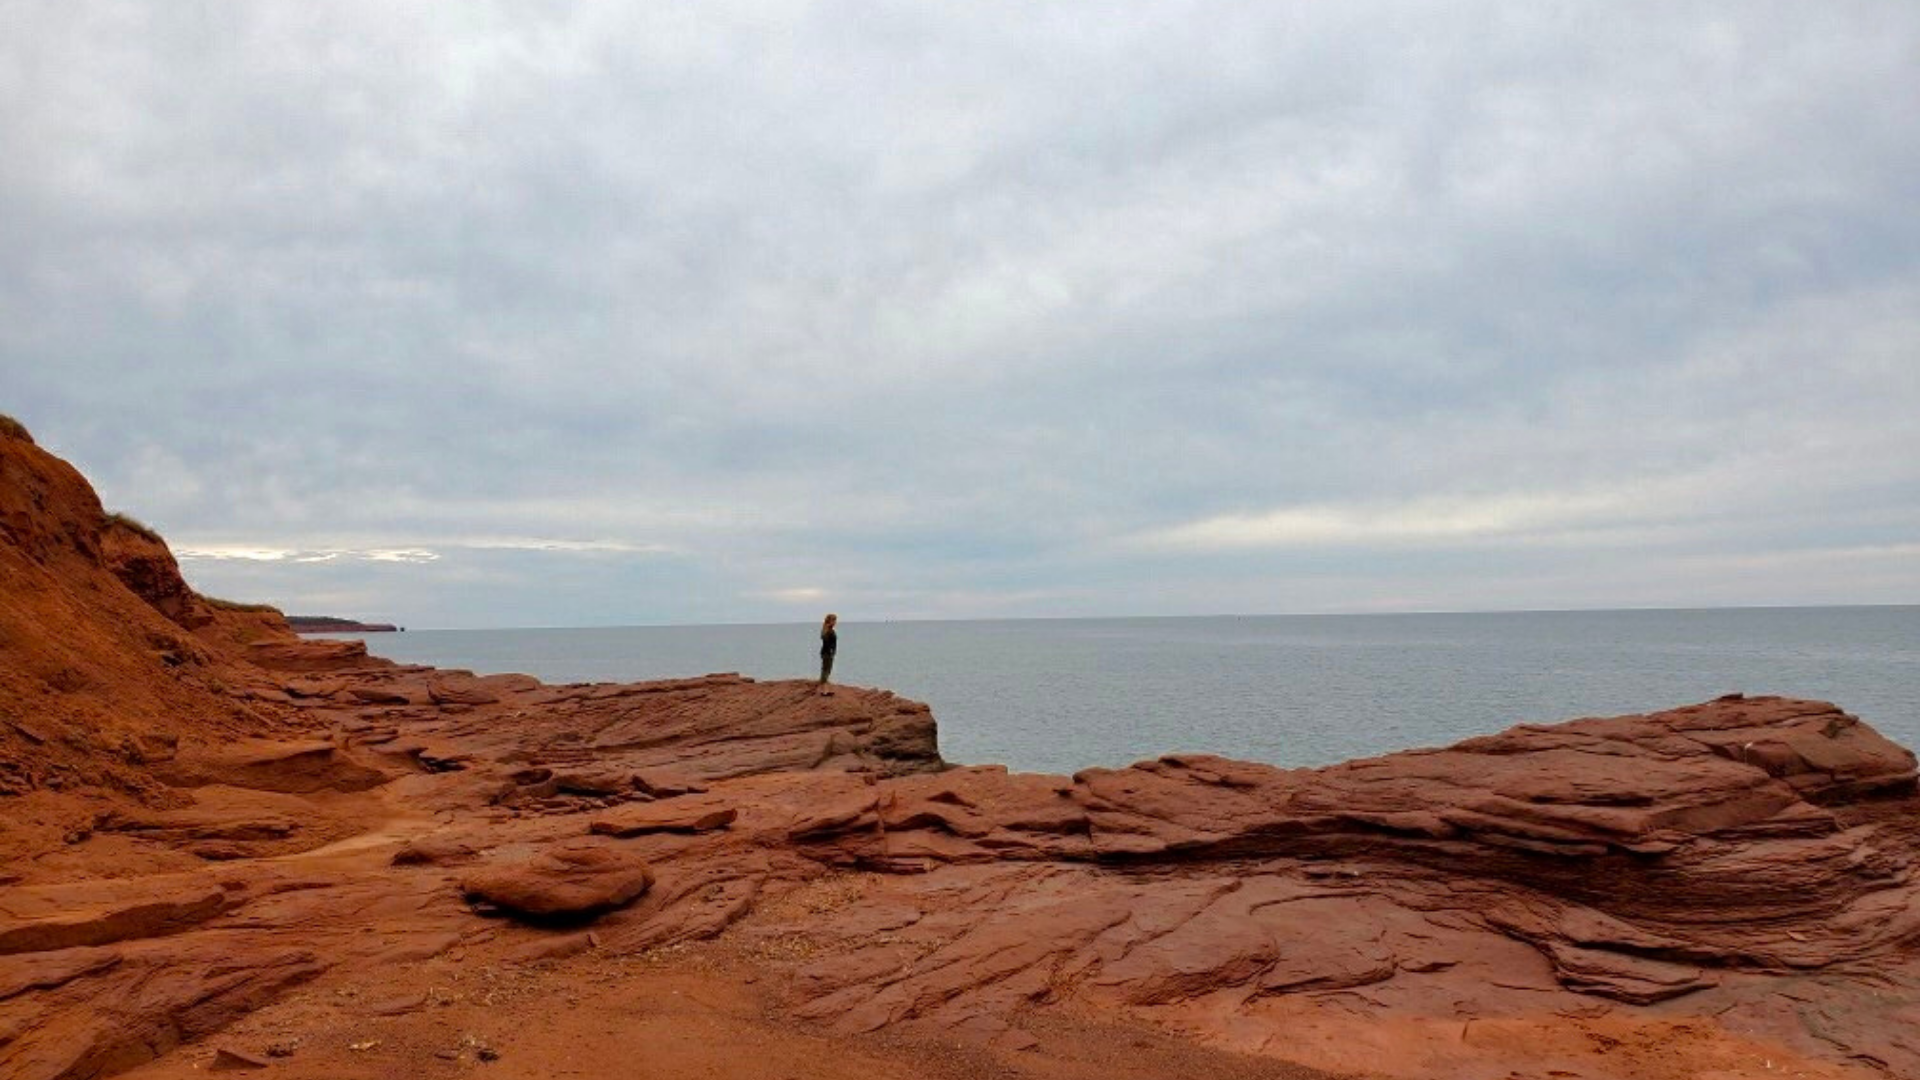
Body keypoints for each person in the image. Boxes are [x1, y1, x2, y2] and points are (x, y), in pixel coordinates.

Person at [817, 613, 838, 692]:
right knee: (826, 670)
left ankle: (824, 688)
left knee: (825, 670)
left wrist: (833, 651)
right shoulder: (828, 631)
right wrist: (831, 652)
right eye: (834, 620)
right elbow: (828, 643)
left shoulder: (827, 630)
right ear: (830, 621)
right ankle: (824, 690)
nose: (835, 622)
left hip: (826, 652)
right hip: (827, 653)